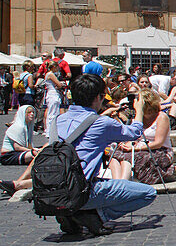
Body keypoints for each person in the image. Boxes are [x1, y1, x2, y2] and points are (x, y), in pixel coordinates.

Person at [51, 73, 157, 236]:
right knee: (148, 193)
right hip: (82, 190)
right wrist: (139, 110)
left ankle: (73, 214)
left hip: (56, 189)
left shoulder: (58, 120)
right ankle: (93, 215)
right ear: (99, 97)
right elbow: (135, 132)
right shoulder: (100, 122)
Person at [118, 88, 174, 186]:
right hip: (140, 147)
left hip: (159, 150)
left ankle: (123, 183)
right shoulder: (139, 117)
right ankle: (118, 181)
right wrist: (127, 145)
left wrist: (137, 148)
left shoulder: (161, 117)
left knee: (130, 156)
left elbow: (158, 143)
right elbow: (134, 136)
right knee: (115, 150)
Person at [43, 60, 66, 142]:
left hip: (51, 94)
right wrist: (62, 84)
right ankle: (50, 131)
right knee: (53, 113)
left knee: (51, 112)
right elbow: (59, 85)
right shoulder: (51, 74)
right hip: (53, 94)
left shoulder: (48, 74)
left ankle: (49, 130)